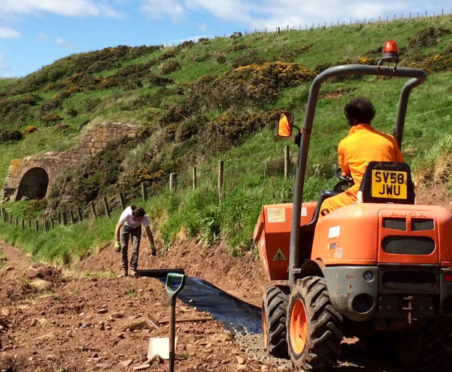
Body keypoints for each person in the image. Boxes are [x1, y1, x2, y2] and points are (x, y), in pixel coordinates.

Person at [319, 97, 405, 217]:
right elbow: (401, 166)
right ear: (370, 117)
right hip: (394, 195)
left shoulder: (345, 143)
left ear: (351, 120)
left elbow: (345, 172)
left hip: (362, 194)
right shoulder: (389, 140)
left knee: (325, 205)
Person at [114, 205, 156, 277]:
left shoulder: (144, 218)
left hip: (136, 229)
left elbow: (148, 232)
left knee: (135, 248)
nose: (141, 220)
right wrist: (117, 241)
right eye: (139, 219)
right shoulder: (127, 214)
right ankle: (124, 269)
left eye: (141, 219)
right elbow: (118, 227)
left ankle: (133, 269)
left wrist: (152, 245)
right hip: (125, 226)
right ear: (134, 216)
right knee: (124, 247)